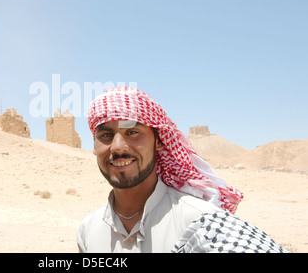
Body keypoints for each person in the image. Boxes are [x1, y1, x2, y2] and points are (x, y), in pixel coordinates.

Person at [77, 86, 287, 253]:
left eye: (132, 132)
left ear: (159, 141)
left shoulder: (201, 221)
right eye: (106, 135)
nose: (117, 147)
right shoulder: (88, 229)